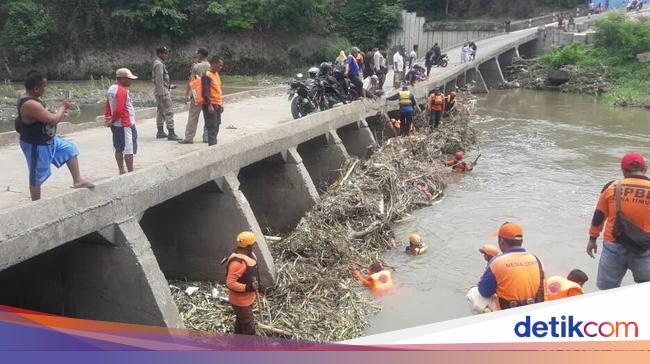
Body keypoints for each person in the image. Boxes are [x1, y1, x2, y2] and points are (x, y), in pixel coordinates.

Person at [15, 70, 94, 201]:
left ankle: (78, 180)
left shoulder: (34, 98)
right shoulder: (30, 104)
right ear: (35, 88)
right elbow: (52, 120)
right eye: (43, 86)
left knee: (70, 149)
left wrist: (58, 112)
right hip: (36, 143)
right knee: (36, 175)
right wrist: (63, 107)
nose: (45, 89)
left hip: (48, 139)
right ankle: (36, 203)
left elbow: (46, 116)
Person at [587, 152, 650, 290]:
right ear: (645, 168)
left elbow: (599, 216)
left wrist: (592, 239)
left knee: (607, 290)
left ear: (623, 170)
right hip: (644, 248)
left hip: (614, 246)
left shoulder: (612, 187)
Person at [478, 222, 546, 310]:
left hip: (507, 312)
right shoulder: (537, 260)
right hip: (533, 310)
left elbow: (484, 291)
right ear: (521, 241)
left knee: (473, 294)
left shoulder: (497, 262)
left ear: (501, 241)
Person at [223, 231, 260, 335]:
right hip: (240, 302)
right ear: (248, 246)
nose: (254, 246)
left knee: (241, 322)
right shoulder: (237, 263)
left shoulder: (248, 256)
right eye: (253, 244)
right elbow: (230, 283)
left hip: (247, 300)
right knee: (249, 328)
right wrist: (248, 287)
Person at [104, 68, 138, 175]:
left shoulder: (111, 89)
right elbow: (118, 109)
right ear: (122, 79)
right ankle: (130, 172)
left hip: (116, 125)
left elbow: (108, 106)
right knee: (129, 149)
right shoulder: (122, 91)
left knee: (118, 147)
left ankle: (121, 170)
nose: (131, 81)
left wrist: (108, 119)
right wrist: (112, 120)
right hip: (125, 124)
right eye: (129, 79)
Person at [179, 47, 211, 144]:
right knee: (208, 116)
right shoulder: (210, 66)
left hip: (197, 95)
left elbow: (191, 81)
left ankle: (189, 137)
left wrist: (186, 95)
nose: (196, 54)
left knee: (193, 116)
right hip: (208, 95)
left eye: (197, 53)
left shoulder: (196, 66)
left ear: (200, 55)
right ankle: (207, 137)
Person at [192, 56, 225, 147]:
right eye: (219, 65)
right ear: (213, 64)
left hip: (217, 104)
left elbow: (218, 90)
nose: (221, 68)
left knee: (217, 125)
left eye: (221, 66)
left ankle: (214, 144)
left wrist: (221, 104)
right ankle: (212, 146)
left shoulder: (216, 75)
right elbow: (205, 92)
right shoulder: (207, 75)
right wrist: (209, 105)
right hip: (210, 105)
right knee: (211, 127)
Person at [152, 46, 180, 140]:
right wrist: (163, 94)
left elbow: (161, 80)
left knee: (160, 111)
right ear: (160, 54)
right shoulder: (159, 64)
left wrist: (169, 86)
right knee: (168, 111)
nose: (166, 55)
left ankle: (160, 132)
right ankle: (171, 133)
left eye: (167, 53)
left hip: (161, 90)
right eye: (165, 53)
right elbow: (159, 80)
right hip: (162, 92)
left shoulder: (159, 63)